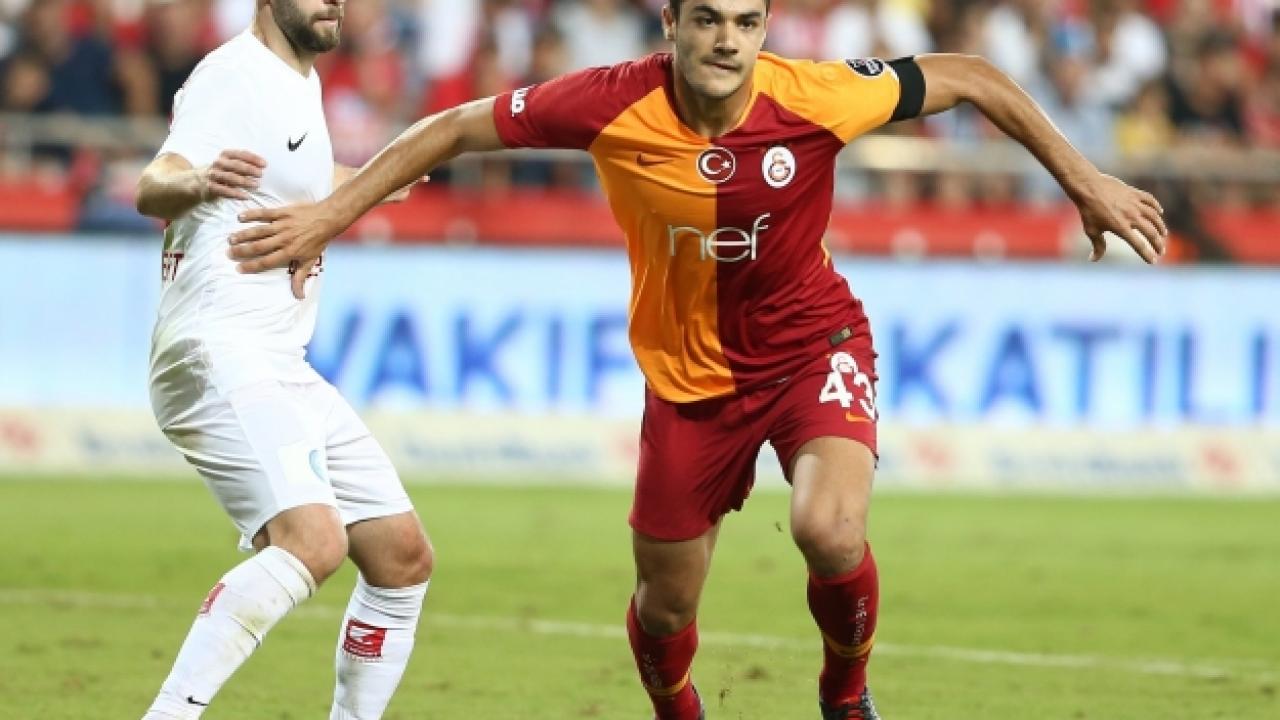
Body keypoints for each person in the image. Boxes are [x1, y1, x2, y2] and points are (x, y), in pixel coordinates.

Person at [225, 1, 1168, 717]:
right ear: (670, 23)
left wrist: (1083, 181)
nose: (728, 40)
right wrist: (329, 216)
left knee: (830, 530)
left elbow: (973, 76)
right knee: (666, 610)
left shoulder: (816, 96)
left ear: (766, 29)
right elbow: (457, 126)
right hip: (688, 387)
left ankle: (846, 695)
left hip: (813, 348)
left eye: (747, 22)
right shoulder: (609, 102)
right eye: (708, 19)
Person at [133, 1, 431, 718]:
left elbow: (301, 179)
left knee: (401, 556)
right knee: (313, 539)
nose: (334, 2)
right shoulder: (235, 74)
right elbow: (153, 182)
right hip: (219, 344)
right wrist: (198, 181)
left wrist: (381, 177)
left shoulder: (299, 82)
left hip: (276, 358)